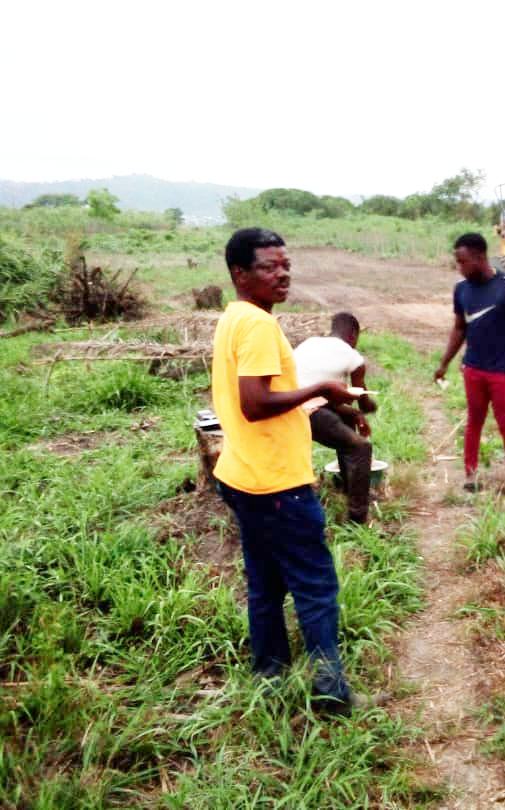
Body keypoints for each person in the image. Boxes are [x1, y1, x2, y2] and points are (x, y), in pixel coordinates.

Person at [211, 227, 361, 716]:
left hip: (243, 475)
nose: (282, 275)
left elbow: (260, 398)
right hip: (276, 483)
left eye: (285, 266)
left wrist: (314, 399)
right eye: (268, 267)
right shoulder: (257, 325)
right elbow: (255, 404)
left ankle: (270, 676)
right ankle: (330, 691)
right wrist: (323, 390)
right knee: (316, 587)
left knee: (265, 584)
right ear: (240, 273)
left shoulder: (235, 317)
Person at [434, 232, 505, 493]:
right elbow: (459, 328)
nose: (459, 268)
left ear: (480, 257)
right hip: (473, 369)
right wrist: (444, 363)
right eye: (457, 262)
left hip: (503, 372)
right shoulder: (461, 289)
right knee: (474, 421)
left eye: (463, 262)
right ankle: (470, 475)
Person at [293, 312, 376, 524]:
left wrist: (355, 414)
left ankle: (349, 487)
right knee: (361, 448)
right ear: (353, 335)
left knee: (348, 421)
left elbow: (321, 398)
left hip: (285, 407)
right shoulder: (353, 357)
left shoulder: (309, 343)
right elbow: (362, 400)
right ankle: (357, 518)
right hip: (308, 412)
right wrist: (368, 407)